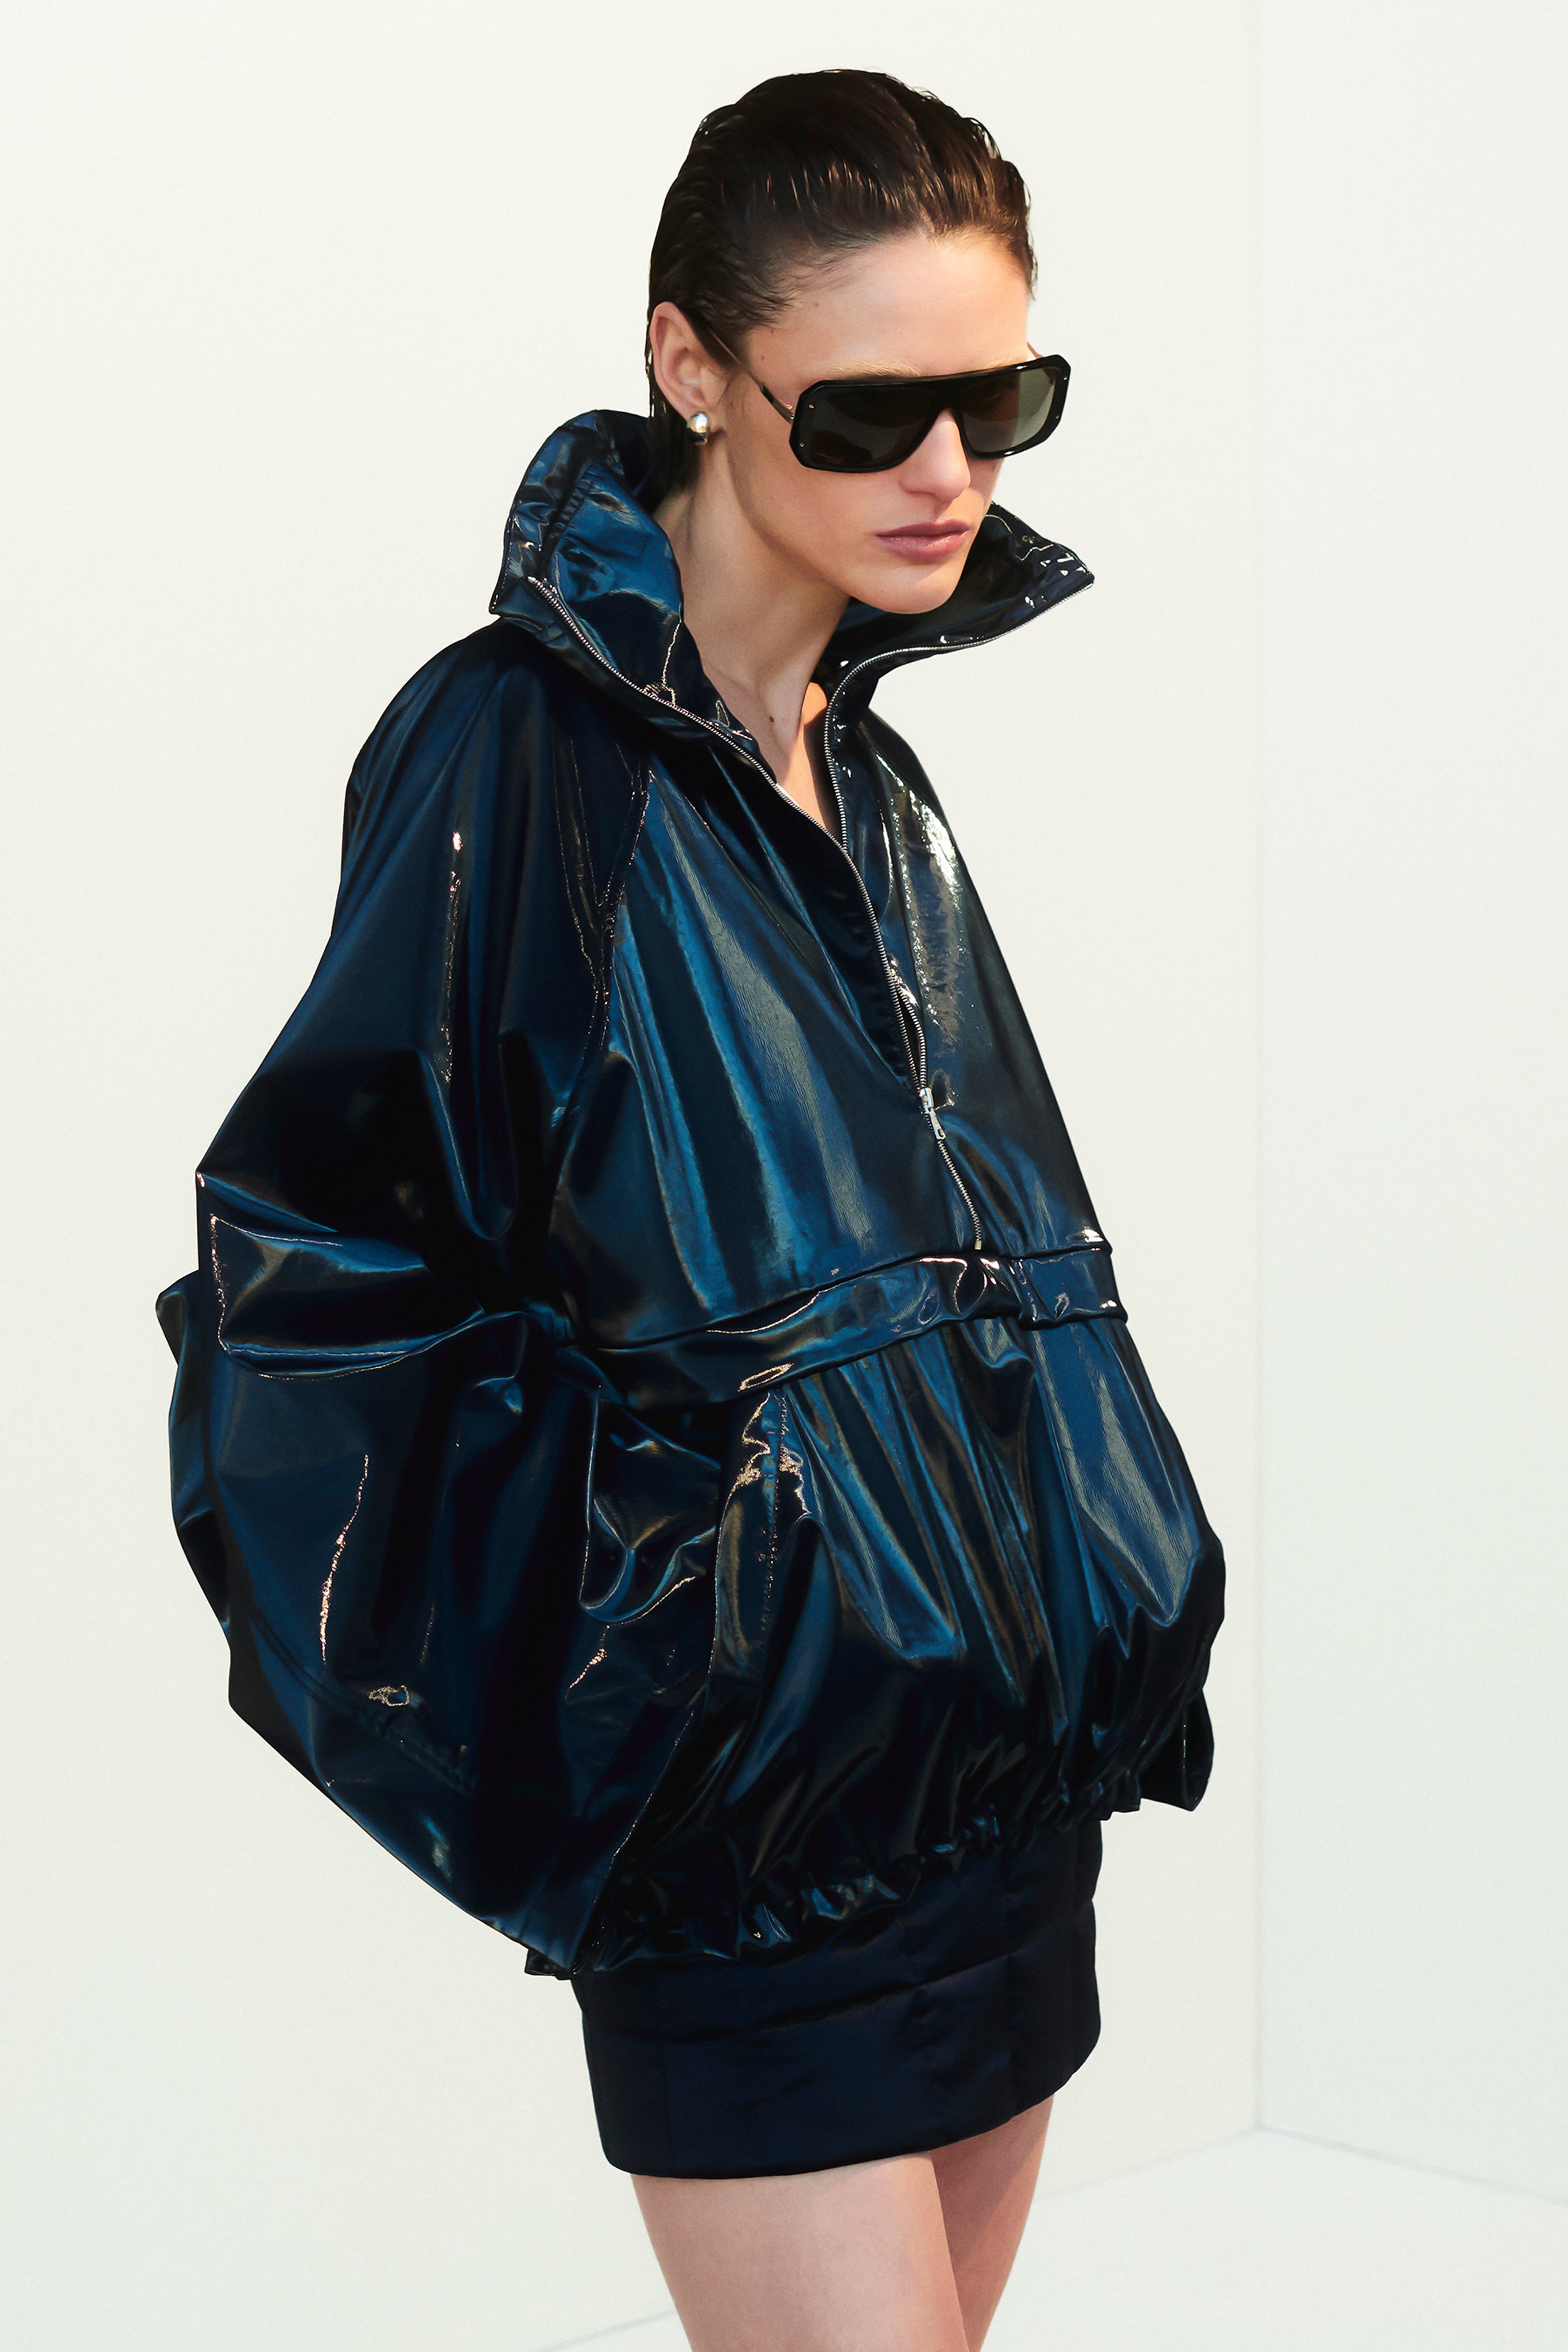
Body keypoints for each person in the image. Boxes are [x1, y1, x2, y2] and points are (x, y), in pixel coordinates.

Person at [157, 68, 1223, 2352]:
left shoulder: (869, 770)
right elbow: (314, 1279)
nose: (945, 472)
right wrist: (670, 1647)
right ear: (692, 367)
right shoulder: (516, 753)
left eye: (998, 401)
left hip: (994, 1802)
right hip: (752, 1852)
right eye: (868, 410)